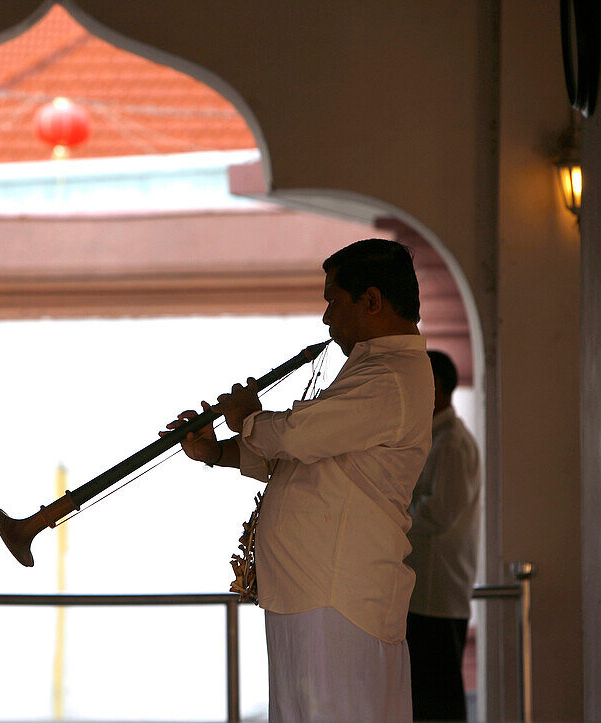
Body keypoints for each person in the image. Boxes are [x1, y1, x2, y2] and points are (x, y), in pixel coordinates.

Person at [164, 238, 433, 721]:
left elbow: (299, 436)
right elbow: (299, 458)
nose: (327, 319)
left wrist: (248, 417)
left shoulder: (391, 376)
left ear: (371, 302)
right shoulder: (371, 369)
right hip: (314, 594)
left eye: (333, 301)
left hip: (338, 599)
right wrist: (216, 451)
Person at [405, 350, 481, 721]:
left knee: (437, 704)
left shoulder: (451, 443)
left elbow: (438, 514)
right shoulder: (433, 438)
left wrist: (390, 517)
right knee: (426, 699)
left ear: (435, 385)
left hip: (435, 594)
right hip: (425, 595)